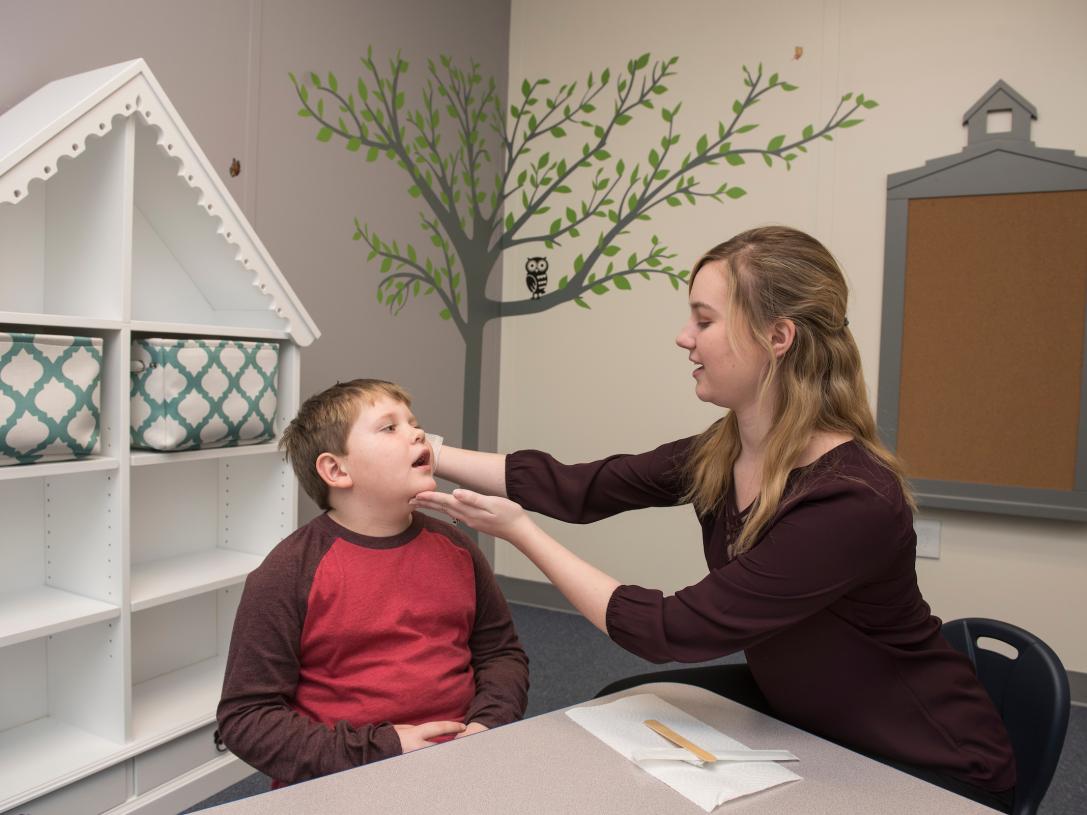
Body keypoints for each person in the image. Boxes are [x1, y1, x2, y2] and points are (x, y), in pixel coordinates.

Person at [412, 226, 1016, 812]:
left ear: (777, 336)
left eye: (704, 320)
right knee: (624, 706)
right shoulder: (723, 450)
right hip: (810, 714)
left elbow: (672, 630)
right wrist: (428, 452)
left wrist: (519, 532)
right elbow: (580, 487)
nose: (684, 337)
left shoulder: (853, 498)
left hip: (926, 764)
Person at [217, 379, 529, 787]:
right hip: (343, 777)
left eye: (413, 423)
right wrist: (382, 749)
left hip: (461, 763)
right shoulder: (288, 571)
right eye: (389, 427)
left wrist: (488, 724)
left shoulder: (456, 548)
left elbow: (501, 653)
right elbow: (246, 718)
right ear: (336, 470)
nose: (418, 433)